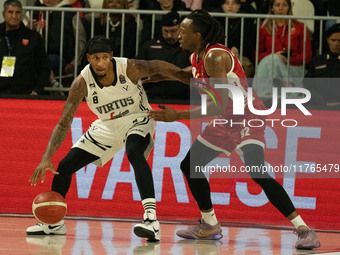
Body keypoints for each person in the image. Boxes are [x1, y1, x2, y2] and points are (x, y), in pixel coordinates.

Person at [148, 10, 320, 249]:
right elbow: (196, 76)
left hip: (246, 116)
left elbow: (217, 104)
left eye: (183, 32)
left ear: (197, 35)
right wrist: (161, 76)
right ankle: (209, 225)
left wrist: (177, 115)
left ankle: (304, 229)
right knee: (189, 165)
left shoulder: (215, 57)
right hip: (225, 119)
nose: (178, 35)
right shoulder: (197, 57)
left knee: (257, 170)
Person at [25, 35, 189, 241]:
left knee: (134, 152)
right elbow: (63, 122)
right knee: (64, 167)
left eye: (105, 57)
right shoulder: (81, 83)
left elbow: (164, 68)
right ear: (88, 58)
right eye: (95, 58)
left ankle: (151, 220)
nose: (101, 63)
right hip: (106, 125)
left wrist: (193, 80)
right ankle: (54, 224)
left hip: (138, 117)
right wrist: (46, 156)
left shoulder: (131, 68)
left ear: (111, 57)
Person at [253, 0, 312, 98]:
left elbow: (307, 55)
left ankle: (262, 95)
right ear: (272, 8)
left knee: (273, 60)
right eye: (277, 5)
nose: (281, 8)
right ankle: (290, 90)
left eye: (284, 5)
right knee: (273, 60)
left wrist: (289, 59)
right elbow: (257, 55)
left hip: (293, 66)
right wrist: (275, 56)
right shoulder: (263, 28)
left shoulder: (300, 27)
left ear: (289, 7)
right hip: (269, 68)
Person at [137, 11, 192, 101]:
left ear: (181, 29)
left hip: (182, 98)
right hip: (151, 97)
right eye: (166, 31)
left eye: (173, 31)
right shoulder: (149, 46)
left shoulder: (189, 48)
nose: (169, 35)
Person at [0, 0, 50, 95]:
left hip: (25, 94)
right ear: (3, 14)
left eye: (17, 12)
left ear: (22, 14)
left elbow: (44, 68)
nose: (14, 16)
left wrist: (36, 90)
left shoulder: (33, 37)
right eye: (10, 12)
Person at [212, 0, 257, 77]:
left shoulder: (247, 21)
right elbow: (214, 41)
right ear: (222, 6)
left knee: (243, 67)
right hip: (220, 55)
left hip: (241, 56)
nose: (230, 6)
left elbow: (249, 42)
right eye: (227, 3)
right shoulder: (216, 21)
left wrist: (237, 49)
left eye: (234, 3)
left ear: (239, 5)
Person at [304, 23, 340, 107]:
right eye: (333, 40)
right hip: (319, 106)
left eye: (339, 41)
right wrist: (321, 101)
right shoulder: (318, 61)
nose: (336, 44)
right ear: (327, 40)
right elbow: (307, 84)